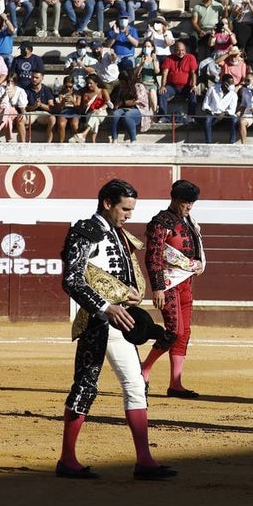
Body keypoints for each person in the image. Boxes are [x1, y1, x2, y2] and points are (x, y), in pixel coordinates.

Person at [57, 179, 176, 481]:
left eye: (132, 209)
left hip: (121, 319)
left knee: (135, 384)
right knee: (85, 386)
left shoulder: (118, 233)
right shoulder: (85, 231)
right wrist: (104, 306)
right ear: (107, 203)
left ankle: (145, 461)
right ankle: (67, 460)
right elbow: (72, 280)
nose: (129, 215)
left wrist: (129, 294)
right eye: (125, 209)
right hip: (96, 321)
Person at [139, 181, 206, 399]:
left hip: (186, 283)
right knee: (174, 331)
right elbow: (153, 256)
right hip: (168, 284)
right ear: (175, 200)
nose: (190, 206)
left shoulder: (188, 222)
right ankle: (144, 369)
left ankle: (175, 384)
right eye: (186, 202)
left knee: (184, 333)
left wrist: (198, 265)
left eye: (192, 202)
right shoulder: (160, 223)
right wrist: (157, 288)